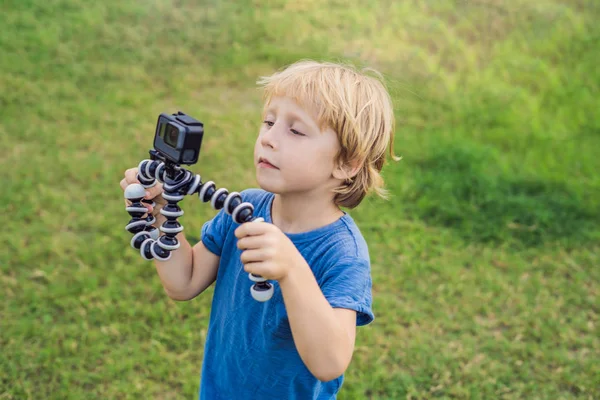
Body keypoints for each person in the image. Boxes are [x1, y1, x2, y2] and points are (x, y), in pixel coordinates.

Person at [120, 60, 398, 399]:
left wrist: (292, 269)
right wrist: (162, 212)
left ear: (346, 163)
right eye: (268, 122)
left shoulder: (342, 252)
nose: (268, 139)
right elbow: (183, 282)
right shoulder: (244, 209)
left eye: (296, 131)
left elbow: (329, 362)